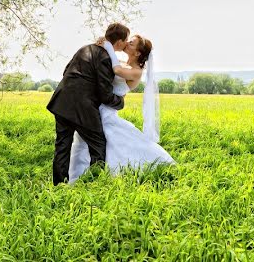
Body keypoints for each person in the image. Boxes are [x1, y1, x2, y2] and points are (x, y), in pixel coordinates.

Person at [67, 34, 174, 183]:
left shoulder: (136, 72)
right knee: (81, 140)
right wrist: (101, 45)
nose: (127, 43)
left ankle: (84, 177)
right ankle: (76, 177)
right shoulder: (123, 62)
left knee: (94, 141)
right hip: (96, 106)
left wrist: (109, 47)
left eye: (131, 43)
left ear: (137, 53)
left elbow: (116, 71)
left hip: (107, 110)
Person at [46, 23, 129, 185]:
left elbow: (66, 70)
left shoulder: (85, 49)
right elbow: (105, 95)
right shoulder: (105, 57)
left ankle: (59, 186)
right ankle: (94, 185)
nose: (126, 43)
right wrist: (120, 102)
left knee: (62, 146)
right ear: (119, 42)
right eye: (126, 40)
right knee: (98, 145)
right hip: (82, 107)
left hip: (62, 101)